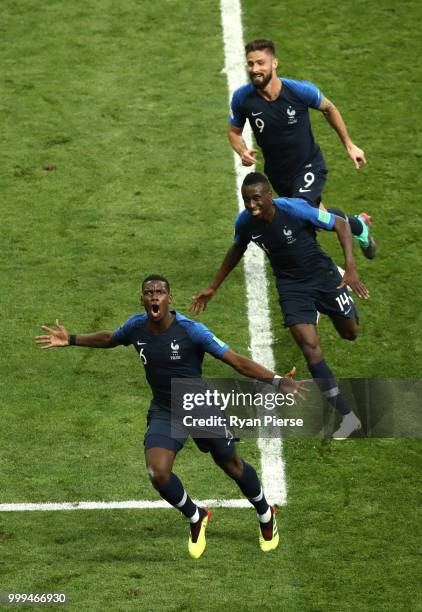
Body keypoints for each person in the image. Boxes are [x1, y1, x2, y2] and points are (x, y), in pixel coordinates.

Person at [36, 274, 306, 559]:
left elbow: (236, 360)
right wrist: (72, 339)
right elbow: (110, 338)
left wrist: (277, 381)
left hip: (199, 404)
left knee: (231, 464)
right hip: (165, 409)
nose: (154, 296)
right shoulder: (136, 326)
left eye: (160, 292)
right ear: (142, 299)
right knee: (158, 473)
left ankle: (265, 512)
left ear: (169, 299)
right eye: (149, 292)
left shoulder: (192, 331)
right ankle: (196, 515)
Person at [192, 172, 368, 439]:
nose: (251, 206)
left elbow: (341, 225)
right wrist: (213, 287)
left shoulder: (294, 209)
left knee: (350, 333)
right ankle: (347, 415)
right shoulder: (245, 223)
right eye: (246, 200)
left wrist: (351, 269)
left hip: (323, 275)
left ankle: (329, 300)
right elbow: (236, 249)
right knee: (310, 349)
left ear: (269, 196)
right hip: (291, 287)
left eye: (256, 199)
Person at [228, 38, 376, 259]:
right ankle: (358, 226)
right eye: (250, 64)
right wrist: (242, 150)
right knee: (320, 219)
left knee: (302, 217)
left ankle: (315, 273)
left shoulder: (298, 91)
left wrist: (349, 144)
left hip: (309, 166)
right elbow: (234, 132)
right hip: (279, 175)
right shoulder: (242, 98)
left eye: (261, 63)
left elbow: (329, 108)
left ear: (274, 63)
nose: (255, 69)